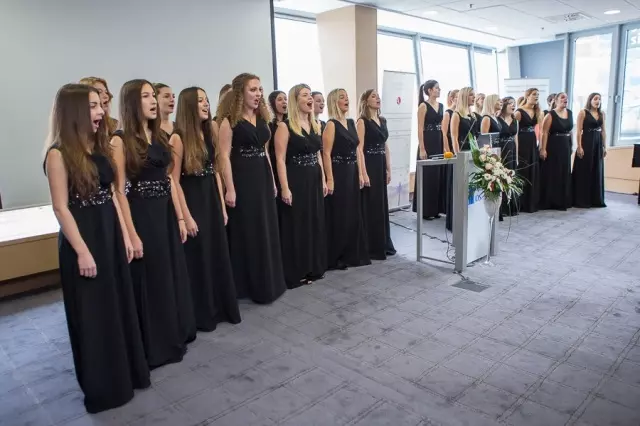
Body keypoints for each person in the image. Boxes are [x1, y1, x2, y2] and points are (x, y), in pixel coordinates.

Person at [44, 83, 149, 413]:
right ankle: (104, 387)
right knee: (94, 315)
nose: (101, 111)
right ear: (74, 111)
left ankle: (126, 374)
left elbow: (113, 194)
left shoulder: (99, 148)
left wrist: (126, 236)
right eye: (92, 106)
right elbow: (61, 208)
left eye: (99, 105)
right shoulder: (58, 154)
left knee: (117, 306)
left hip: (109, 235)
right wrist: (82, 251)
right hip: (84, 240)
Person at [111, 79, 196, 369]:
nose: (152, 101)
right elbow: (118, 192)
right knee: (151, 278)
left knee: (169, 274)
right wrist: (131, 234)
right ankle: (154, 345)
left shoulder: (159, 136)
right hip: (142, 216)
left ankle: (172, 335)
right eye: (145, 96)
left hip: (165, 213)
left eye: (152, 96)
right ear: (132, 103)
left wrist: (180, 217)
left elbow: (169, 179)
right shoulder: (120, 141)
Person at [170, 86, 241, 330]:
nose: (206, 104)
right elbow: (174, 181)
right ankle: (203, 313)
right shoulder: (178, 138)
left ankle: (221, 307)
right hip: (193, 201)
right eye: (200, 100)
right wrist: (186, 217)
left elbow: (216, 172)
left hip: (211, 199)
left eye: (206, 100)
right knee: (199, 258)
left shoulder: (209, 129)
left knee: (216, 254)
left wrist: (222, 206)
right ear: (189, 105)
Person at [217, 73, 286, 304]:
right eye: (253, 90)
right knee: (249, 230)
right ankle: (249, 284)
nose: (258, 94)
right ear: (240, 93)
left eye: (260, 90)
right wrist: (230, 188)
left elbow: (265, 152)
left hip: (263, 178)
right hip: (243, 179)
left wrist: (273, 181)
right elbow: (223, 157)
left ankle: (270, 281)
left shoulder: (262, 118)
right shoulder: (229, 122)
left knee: (266, 227)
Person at [274, 84, 327, 287]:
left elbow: (318, 154)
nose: (310, 98)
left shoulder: (315, 125)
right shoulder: (285, 127)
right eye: (305, 95)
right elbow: (280, 159)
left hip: (314, 177)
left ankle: (314, 266)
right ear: (296, 100)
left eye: (310, 94)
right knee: (298, 224)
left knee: (314, 221)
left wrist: (323, 179)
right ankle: (297, 270)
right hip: (296, 178)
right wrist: (285, 187)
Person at [323, 88, 371, 270]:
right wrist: (330, 179)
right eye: (342, 97)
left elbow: (357, 150)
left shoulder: (351, 122)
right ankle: (337, 255)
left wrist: (360, 173)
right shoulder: (331, 125)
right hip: (339, 172)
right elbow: (326, 153)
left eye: (347, 97)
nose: (346, 100)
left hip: (352, 171)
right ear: (334, 102)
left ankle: (352, 253)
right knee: (340, 214)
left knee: (353, 213)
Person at [357, 88, 396, 260]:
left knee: (381, 203)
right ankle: (371, 245)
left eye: (378, 96)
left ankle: (383, 242)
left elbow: (385, 145)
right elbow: (359, 149)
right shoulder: (362, 121)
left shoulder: (382, 120)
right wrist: (363, 173)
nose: (378, 98)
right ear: (366, 101)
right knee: (371, 204)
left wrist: (388, 168)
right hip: (369, 164)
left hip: (380, 164)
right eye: (373, 96)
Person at [412, 80, 444, 220]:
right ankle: (425, 210)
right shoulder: (423, 106)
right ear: (429, 90)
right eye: (437, 88)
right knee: (427, 176)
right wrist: (422, 148)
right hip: (428, 142)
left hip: (438, 140)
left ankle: (435, 208)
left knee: (437, 176)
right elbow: (420, 128)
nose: (439, 90)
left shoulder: (441, 106)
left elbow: (442, 127)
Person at [572, 92, 607, 208]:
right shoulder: (583, 112)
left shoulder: (602, 113)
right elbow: (578, 131)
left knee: (597, 169)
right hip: (586, 142)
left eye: (599, 99)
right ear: (590, 100)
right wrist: (579, 146)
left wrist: (604, 146)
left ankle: (595, 199)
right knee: (585, 169)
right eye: (595, 99)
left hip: (598, 143)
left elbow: (603, 131)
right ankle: (582, 199)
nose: (598, 101)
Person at [539, 92, 573, 211]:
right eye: (562, 97)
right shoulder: (550, 115)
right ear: (556, 100)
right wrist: (543, 149)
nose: (565, 99)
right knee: (554, 172)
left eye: (566, 97)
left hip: (566, 145)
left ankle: (563, 199)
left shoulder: (570, 113)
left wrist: (572, 145)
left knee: (565, 171)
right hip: (554, 145)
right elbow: (544, 132)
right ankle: (552, 200)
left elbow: (571, 130)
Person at [447, 87, 475, 231]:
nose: (473, 97)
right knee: (460, 189)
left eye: (474, 95)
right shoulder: (456, 115)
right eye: (471, 95)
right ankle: (457, 220)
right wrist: (458, 156)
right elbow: (454, 137)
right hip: (463, 153)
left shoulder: (472, 115)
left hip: (473, 153)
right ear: (464, 97)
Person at [514, 88, 542, 213]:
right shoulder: (519, 112)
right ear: (527, 96)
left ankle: (532, 201)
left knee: (532, 169)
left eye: (538, 95)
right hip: (522, 141)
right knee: (523, 169)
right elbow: (514, 131)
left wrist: (541, 145)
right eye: (534, 94)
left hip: (532, 141)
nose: (536, 97)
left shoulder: (537, 111)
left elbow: (540, 130)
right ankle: (521, 202)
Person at [497, 96, 520, 219]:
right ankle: (501, 207)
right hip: (501, 149)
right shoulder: (497, 119)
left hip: (512, 149)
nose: (513, 105)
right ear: (505, 105)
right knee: (501, 177)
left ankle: (510, 206)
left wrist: (517, 156)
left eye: (514, 103)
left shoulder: (515, 120)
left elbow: (516, 138)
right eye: (510, 103)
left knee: (511, 177)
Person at [268, 90, 288, 191]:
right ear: (272, 104)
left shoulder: (290, 124)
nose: (284, 101)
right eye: (280, 99)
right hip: (275, 165)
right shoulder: (269, 125)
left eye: (285, 99)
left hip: (290, 165)